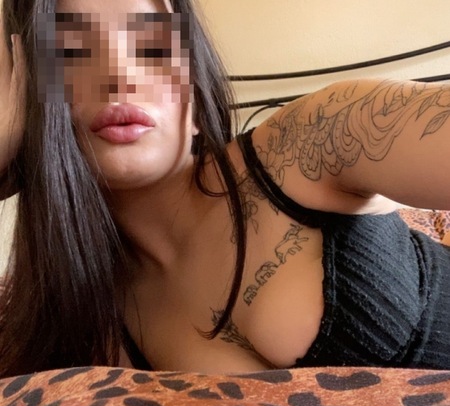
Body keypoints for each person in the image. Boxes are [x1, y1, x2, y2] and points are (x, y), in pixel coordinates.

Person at [0, 0, 449, 378]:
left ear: (196, 92)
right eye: (70, 53)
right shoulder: (80, 330)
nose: (119, 76)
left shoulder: (317, 139)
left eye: (152, 45)